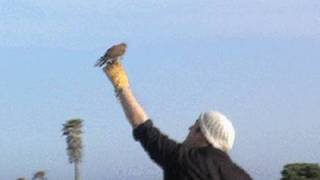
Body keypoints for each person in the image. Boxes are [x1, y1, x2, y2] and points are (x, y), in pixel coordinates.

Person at [100, 47, 252, 180]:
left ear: (202, 134)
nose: (189, 129)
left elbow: (144, 128)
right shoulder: (241, 175)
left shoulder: (184, 160)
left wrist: (122, 86)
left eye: (194, 126)